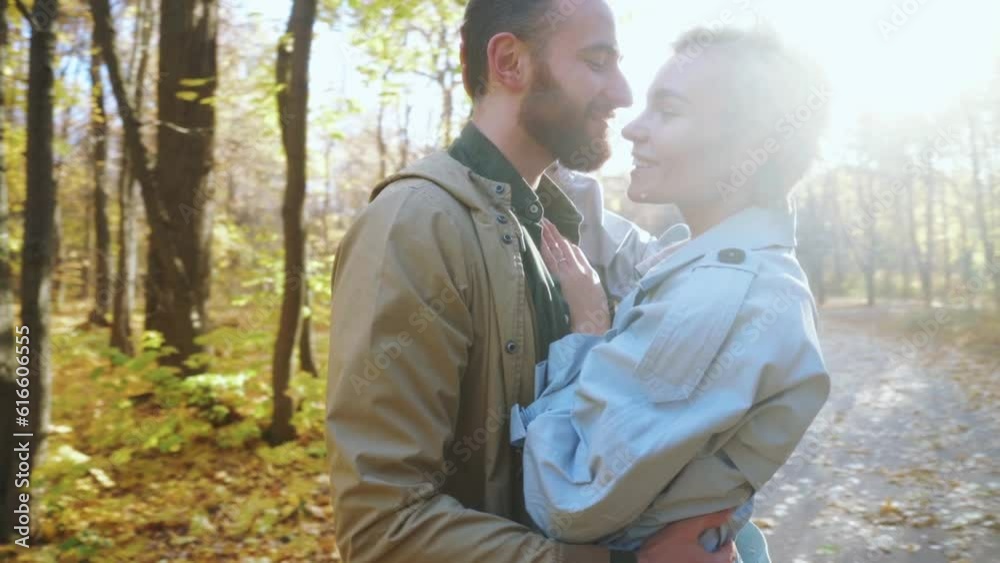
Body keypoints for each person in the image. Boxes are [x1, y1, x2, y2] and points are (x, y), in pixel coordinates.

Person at [325, 1, 742, 562]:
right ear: (509, 63)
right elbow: (383, 527)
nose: (622, 93)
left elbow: (696, 276)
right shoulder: (416, 224)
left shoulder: (566, 219)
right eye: (596, 62)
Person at [512, 26, 833, 561]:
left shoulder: (719, 300)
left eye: (668, 110)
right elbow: (621, 246)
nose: (633, 127)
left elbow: (569, 502)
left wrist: (588, 332)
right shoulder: (714, 256)